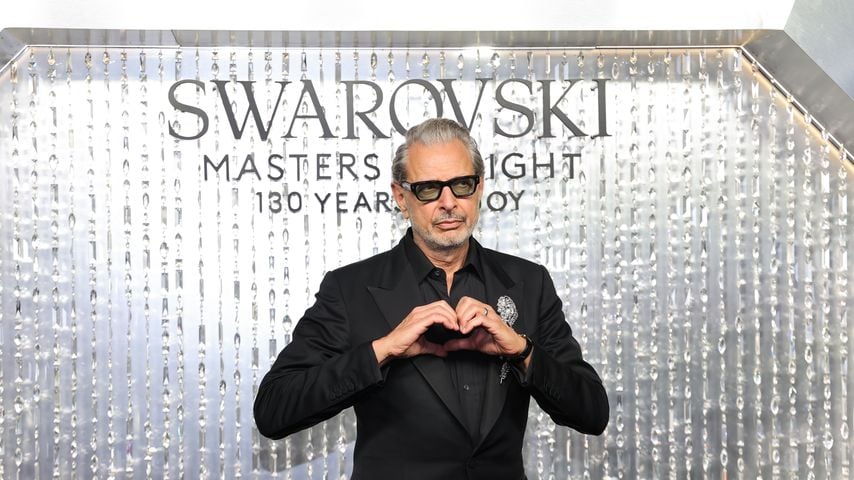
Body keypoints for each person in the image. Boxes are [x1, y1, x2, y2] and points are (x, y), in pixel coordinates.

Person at [254, 118, 608, 479]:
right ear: (400, 197)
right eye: (428, 189)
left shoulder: (528, 282)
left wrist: (522, 351)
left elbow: (592, 412)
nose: (448, 203)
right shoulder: (351, 289)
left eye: (461, 185)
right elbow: (274, 409)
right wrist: (383, 350)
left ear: (480, 187)